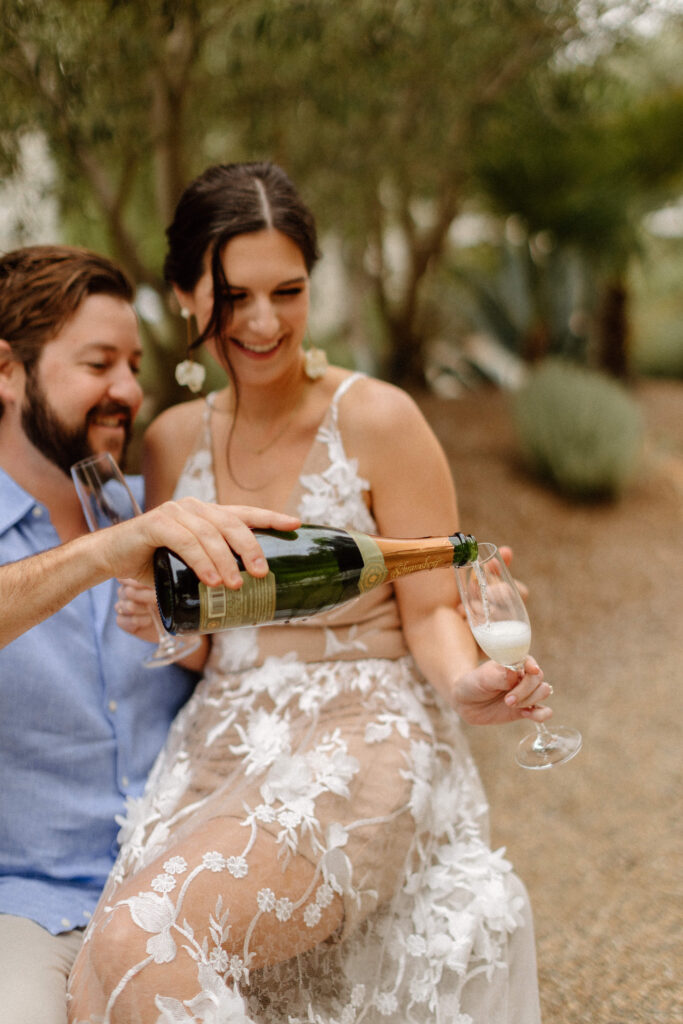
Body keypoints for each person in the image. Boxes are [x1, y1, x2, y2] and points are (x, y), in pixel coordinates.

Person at [67, 163, 552, 1024]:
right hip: (219, 739)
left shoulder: (380, 419)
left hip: (364, 728)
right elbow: (206, 628)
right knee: (100, 972)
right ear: (184, 293)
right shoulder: (170, 441)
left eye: (286, 291)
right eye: (235, 295)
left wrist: (465, 683)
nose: (263, 322)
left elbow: (433, 606)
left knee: (143, 938)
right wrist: (164, 622)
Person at [0, 243, 300, 1023]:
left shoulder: (165, 508)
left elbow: (281, 643)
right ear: (5, 372)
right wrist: (103, 553)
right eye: (100, 364)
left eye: (134, 365)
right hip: (25, 912)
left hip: (181, 897)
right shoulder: (131, 531)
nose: (128, 391)